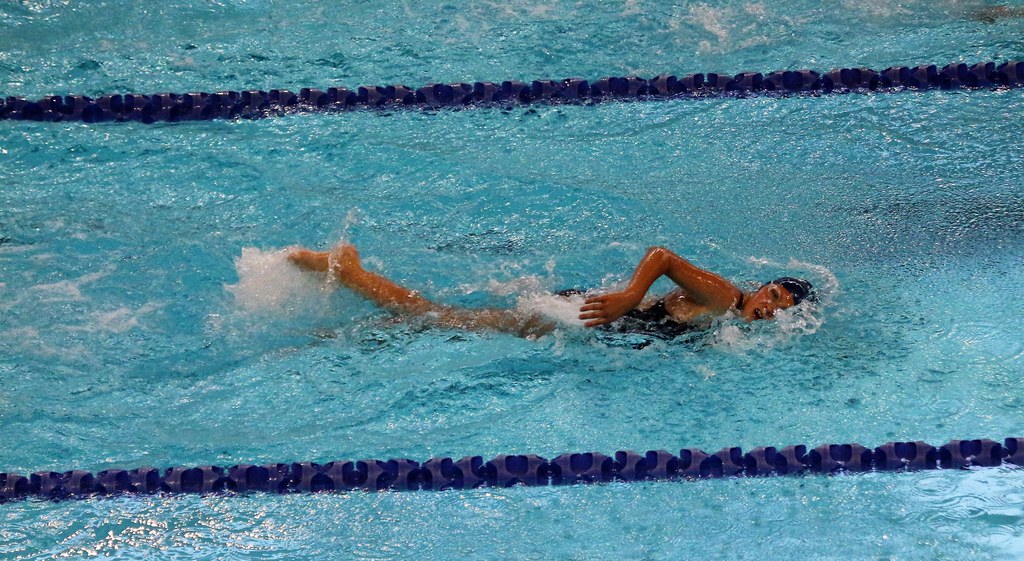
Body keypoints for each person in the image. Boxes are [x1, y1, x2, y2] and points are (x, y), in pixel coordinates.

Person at [287, 244, 814, 339]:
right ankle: (349, 271)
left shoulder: (728, 320)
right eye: (772, 295)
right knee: (440, 319)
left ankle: (363, 320)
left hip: (588, 319)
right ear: (761, 285)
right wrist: (632, 297)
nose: (768, 308)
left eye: (780, 309)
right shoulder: (725, 297)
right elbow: (663, 257)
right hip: (583, 318)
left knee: (449, 324)